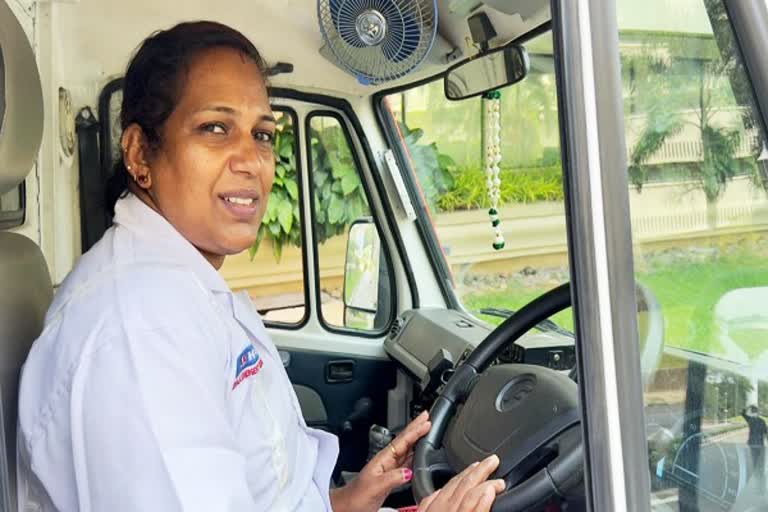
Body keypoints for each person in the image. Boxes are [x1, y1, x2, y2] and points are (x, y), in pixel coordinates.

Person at [16, 21, 505, 512]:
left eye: (263, 134)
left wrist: (339, 502)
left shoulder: (179, 290)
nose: (252, 160)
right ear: (140, 152)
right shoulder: (140, 331)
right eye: (215, 128)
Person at [743, 405, 767, 479]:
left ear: (752, 412)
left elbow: (742, 413)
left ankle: (756, 474)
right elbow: (766, 432)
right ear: (758, 412)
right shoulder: (762, 421)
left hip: (752, 443)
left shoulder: (750, 420)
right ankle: (760, 474)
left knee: (754, 459)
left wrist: (748, 407)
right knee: (761, 459)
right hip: (760, 444)